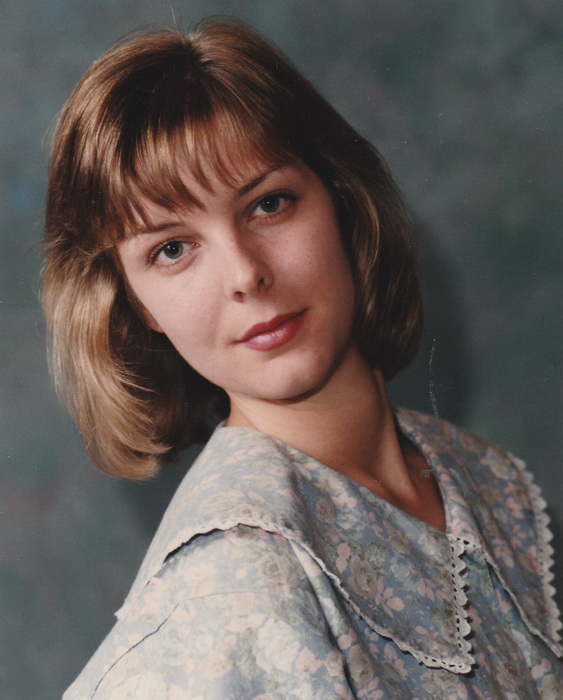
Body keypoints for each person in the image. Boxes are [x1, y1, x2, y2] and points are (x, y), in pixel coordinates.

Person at [42, 19, 561, 699]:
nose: (244, 274)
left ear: (340, 198)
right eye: (171, 249)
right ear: (137, 304)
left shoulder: (482, 476)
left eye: (268, 204)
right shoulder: (232, 582)